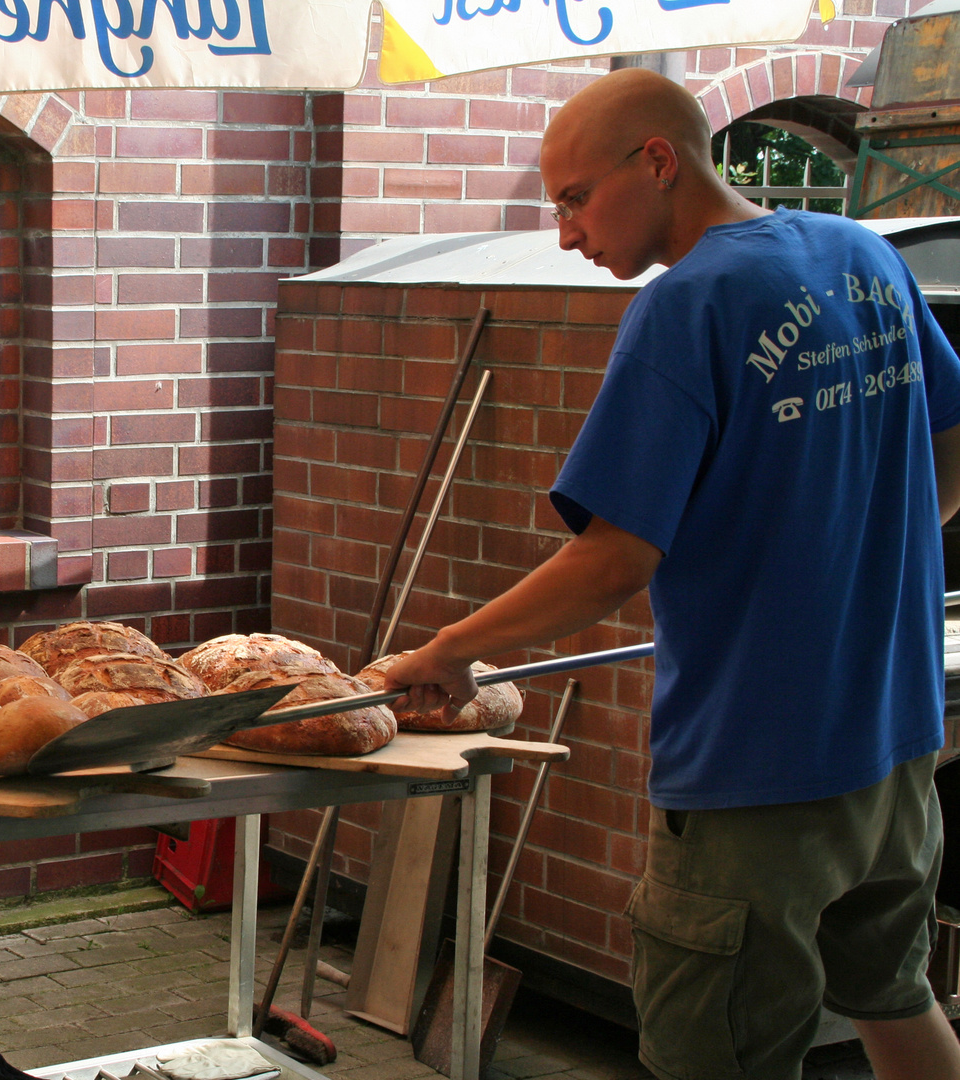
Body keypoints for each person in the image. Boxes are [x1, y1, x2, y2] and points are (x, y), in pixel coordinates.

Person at [382, 68, 960, 1080]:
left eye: (574, 197)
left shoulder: (689, 305)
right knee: (896, 998)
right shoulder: (865, 255)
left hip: (757, 771)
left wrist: (449, 651)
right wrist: (853, 551)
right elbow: (951, 449)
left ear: (657, 160)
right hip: (897, 748)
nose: (565, 231)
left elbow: (610, 562)